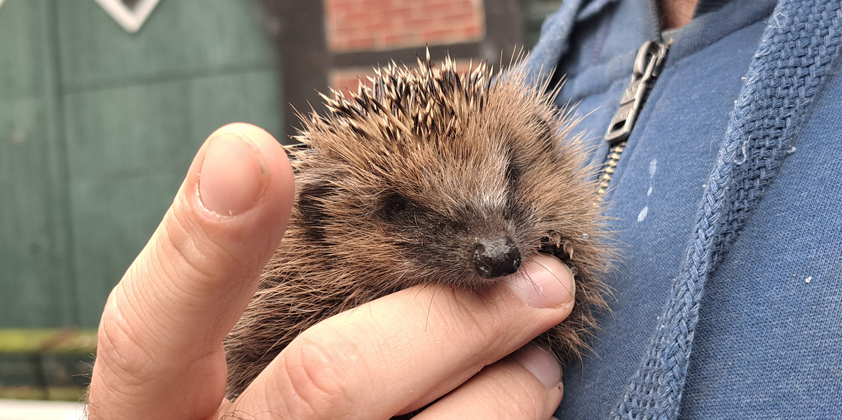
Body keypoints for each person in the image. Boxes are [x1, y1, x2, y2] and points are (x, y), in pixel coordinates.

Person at [86, 0, 842, 419]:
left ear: (538, 150)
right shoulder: (562, 60)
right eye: (411, 214)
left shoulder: (534, 120)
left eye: (509, 187)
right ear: (317, 223)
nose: (497, 249)